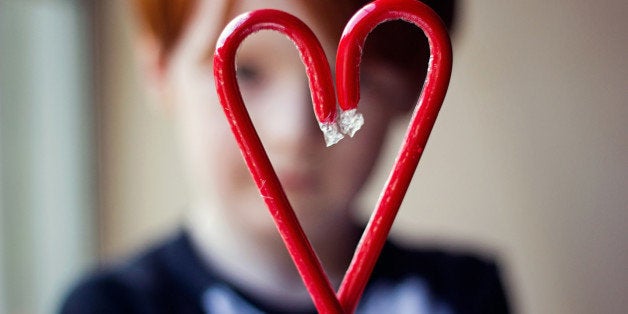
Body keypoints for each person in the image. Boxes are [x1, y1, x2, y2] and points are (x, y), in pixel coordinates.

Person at [60, 0, 510, 313]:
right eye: (246, 71)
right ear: (159, 72)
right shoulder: (110, 307)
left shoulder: (461, 295)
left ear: (414, 93)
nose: (294, 132)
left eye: (358, 79)